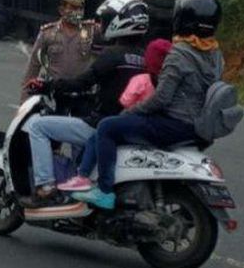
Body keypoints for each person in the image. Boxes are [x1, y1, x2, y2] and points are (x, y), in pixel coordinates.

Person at [73, 0, 223, 210]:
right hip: (197, 126)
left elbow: (161, 98)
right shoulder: (215, 54)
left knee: (107, 126)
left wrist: (131, 112)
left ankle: (104, 191)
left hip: (174, 123)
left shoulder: (179, 54)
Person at [19, 0, 149, 208]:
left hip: (98, 119)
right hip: (126, 124)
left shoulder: (110, 53)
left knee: (37, 127)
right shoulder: (144, 58)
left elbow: (81, 82)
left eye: (108, 20)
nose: (103, 25)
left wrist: (48, 86)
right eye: (71, 6)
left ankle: (45, 187)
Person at [58, 38, 172, 193]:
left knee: (101, 132)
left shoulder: (141, 79)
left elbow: (125, 100)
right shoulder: (167, 82)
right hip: (155, 123)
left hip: (132, 119)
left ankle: (87, 178)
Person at [21, 0, 96, 102]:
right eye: (73, 8)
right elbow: (33, 67)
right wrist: (24, 102)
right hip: (55, 94)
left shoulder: (92, 31)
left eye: (80, 8)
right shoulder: (48, 33)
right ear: (61, 10)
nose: (78, 12)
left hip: (83, 94)